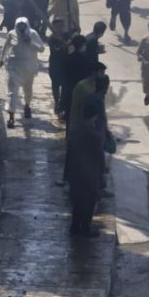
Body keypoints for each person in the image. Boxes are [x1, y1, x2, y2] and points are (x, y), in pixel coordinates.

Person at [67, 94, 106, 236]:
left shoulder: (75, 132)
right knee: (89, 202)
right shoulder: (95, 136)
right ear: (94, 117)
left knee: (77, 200)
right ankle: (85, 228)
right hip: (90, 174)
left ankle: (75, 226)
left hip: (75, 172)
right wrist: (102, 175)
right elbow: (100, 158)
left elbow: (69, 154)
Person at [0, 17, 45, 128]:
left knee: (28, 90)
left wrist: (31, 42)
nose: (21, 29)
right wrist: (2, 59)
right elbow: (6, 47)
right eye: (19, 26)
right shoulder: (11, 34)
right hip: (14, 67)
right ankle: (11, 116)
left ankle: (27, 105)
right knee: (12, 92)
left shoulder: (33, 34)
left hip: (29, 68)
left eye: (23, 26)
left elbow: (42, 48)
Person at [61, 35, 95, 121]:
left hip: (69, 92)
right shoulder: (85, 60)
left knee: (69, 118)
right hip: (81, 92)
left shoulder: (68, 58)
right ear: (82, 45)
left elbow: (64, 77)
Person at [47, 18, 72, 114]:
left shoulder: (65, 35)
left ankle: (63, 103)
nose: (61, 28)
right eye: (59, 26)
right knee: (55, 86)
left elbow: (77, 31)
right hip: (55, 65)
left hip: (65, 65)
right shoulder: (52, 38)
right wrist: (65, 44)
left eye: (62, 25)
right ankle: (56, 103)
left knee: (65, 86)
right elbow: (57, 49)